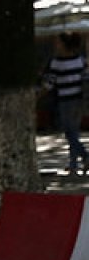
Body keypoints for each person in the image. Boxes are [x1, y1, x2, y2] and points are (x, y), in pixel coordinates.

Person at [42, 33, 87, 176]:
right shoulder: (80, 60)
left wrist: (38, 95)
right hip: (79, 100)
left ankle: (85, 156)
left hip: (65, 101)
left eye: (58, 43)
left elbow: (49, 83)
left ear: (63, 45)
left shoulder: (56, 62)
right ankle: (73, 165)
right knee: (74, 132)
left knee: (69, 133)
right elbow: (85, 78)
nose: (55, 46)